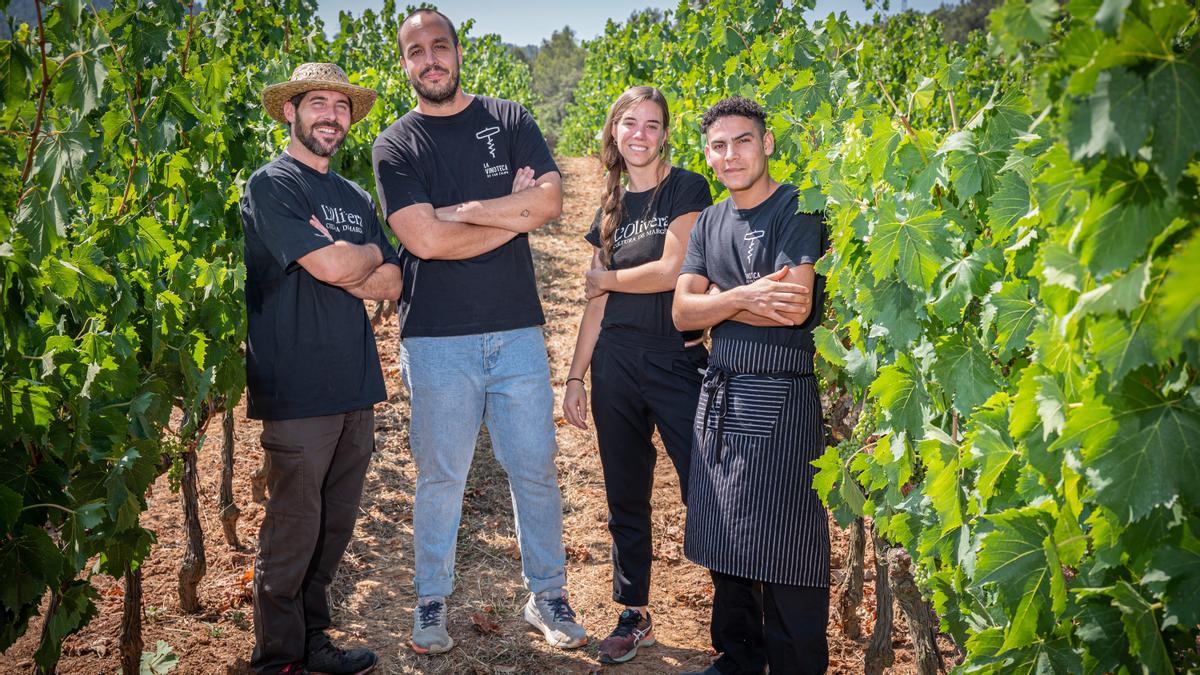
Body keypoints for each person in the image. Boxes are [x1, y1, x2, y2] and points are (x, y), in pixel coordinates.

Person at [370, 8, 586, 656]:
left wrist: (469, 212)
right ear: (404, 64)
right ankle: (431, 600)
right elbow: (424, 241)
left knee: (536, 469)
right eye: (416, 51)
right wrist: (512, 217)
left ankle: (547, 595)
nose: (430, 59)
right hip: (435, 339)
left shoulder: (510, 119)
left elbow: (549, 201)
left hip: (517, 330)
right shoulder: (395, 145)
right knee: (441, 476)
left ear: (457, 52)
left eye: (440, 46)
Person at [243, 62, 402, 675]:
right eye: (318, 103)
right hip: (297, 387)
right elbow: (346, 272)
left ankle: (312, 643)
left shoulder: (354, 196)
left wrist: (346, 255)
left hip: (355, 386)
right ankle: (277, 659)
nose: (332, 114)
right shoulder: (273, 185)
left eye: (341, 105)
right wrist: (356, 258)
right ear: (291, 111)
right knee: (292, 532)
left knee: (332, 530)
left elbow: (391, 280)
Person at [672, 97, 830, 675]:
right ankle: (737, 658)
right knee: (725, 533)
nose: (730, 153)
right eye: (719, 145)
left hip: (783, 395)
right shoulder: (710, 221)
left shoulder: (798, 207)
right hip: (721, 390)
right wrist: (743, 297)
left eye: (742, 140)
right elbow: (681, 314)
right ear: (708, 156)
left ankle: (795, 665)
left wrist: (714, 303)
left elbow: (793, 306)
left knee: (788, 544)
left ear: (766, 144)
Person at [561, 86, 712, 665]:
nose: (641, 135)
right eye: (631, 124)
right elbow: (593, 305)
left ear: (665, 133)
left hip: (677, 359)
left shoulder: (687, 189)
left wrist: (604, 279)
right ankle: (634, 611)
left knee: (707, 484)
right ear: (614, 133)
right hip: (615, 365)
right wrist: (575, 377)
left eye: (652, 125)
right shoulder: (609, 206)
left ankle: (740, 609)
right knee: (625, 493)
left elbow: (673, 270)